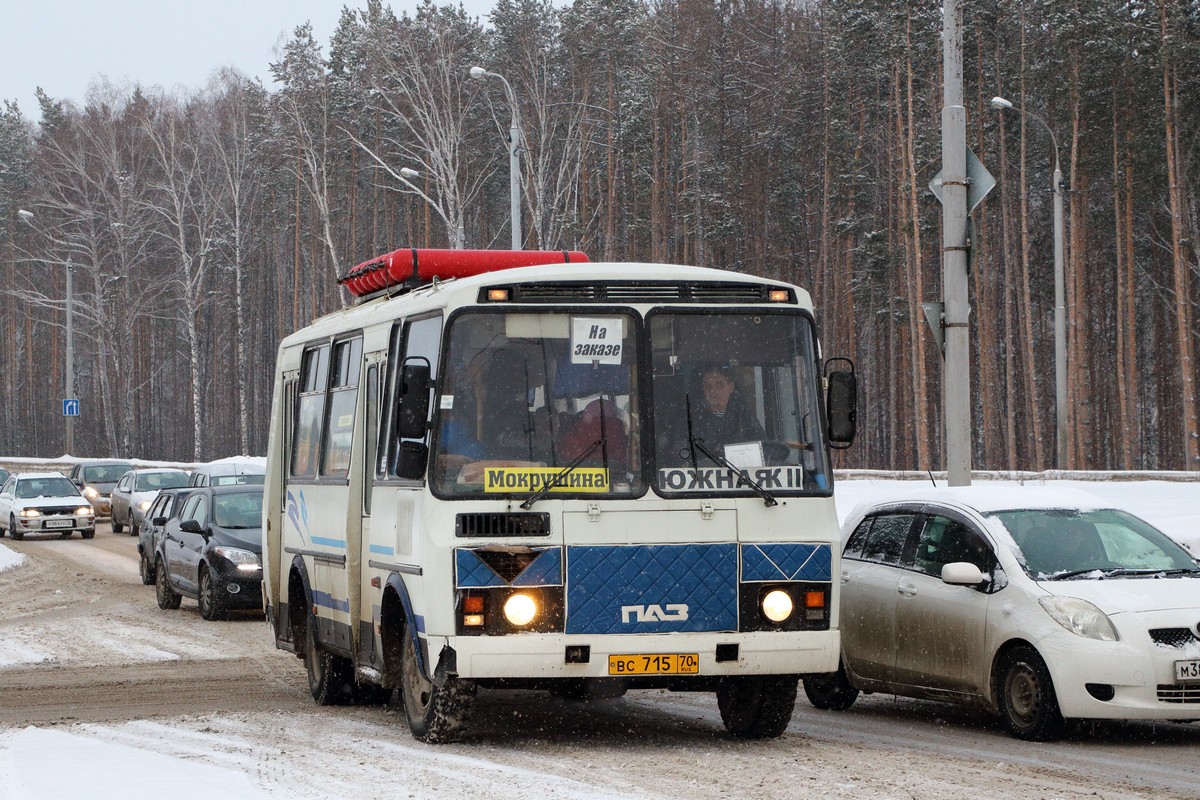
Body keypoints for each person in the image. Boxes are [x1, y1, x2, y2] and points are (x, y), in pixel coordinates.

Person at [690, 364, 766, 450]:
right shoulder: (692, 419)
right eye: (708, 386)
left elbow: (763, 451)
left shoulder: (744, 417)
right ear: (703, 389)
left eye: (719, 384)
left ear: (731, 387)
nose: (712, 391)